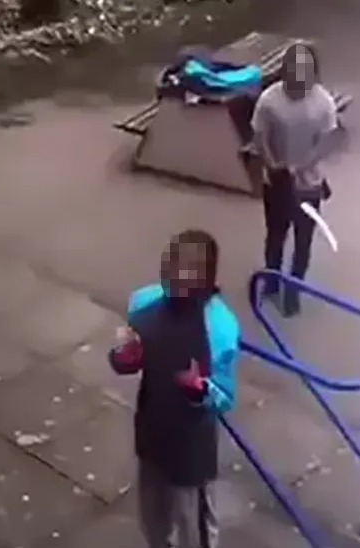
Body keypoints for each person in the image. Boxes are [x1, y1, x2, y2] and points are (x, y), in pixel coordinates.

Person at [109, 229, 240, 548]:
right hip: (152, 434)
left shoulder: (220, 328)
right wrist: (125, 357)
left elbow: (225, 397)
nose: (176, 283)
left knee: (193, 528)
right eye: (172, 273)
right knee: (153, 522)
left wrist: (200, 389)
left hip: (191, 449)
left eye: (186, 278)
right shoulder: (143, 304)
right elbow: (124, 360)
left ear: (205, 279)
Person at [251, 42, 339, 317]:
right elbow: (259, 136)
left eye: (306, 70)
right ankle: (273, 283)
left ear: (314, 73)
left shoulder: (323, 102)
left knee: (303, 243)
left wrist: (304, 165)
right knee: (275, 236)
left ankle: (294, 292)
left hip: (309, 184)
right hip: (276, 181)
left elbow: (326, 140)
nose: (300, 75)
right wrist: (273, 163)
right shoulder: (269, 100)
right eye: (295, 69)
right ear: (284, 70)